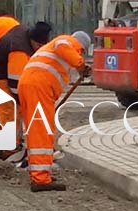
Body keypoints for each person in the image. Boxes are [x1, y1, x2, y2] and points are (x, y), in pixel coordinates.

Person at [18, 31, 90, 192]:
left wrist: (79, 69)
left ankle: (39, 171)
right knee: (42, 131)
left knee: (37, 130)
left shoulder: (57, 49)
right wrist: (81, 64)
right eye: (82, 52)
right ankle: (40, 178)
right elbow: (62, 46)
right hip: (38, 87)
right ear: (81, 47)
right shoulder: (67, 41)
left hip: (31, 85)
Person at [0, 21, 52, 149]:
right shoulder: (19, 50)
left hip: (3, 72)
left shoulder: (26, 35)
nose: (40, 49)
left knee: (14, 110)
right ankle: (9, 146)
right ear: (33, 40)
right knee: (10, 110)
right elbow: (15, 84)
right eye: (39, 45)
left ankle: (7, 140)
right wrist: (25, 103)